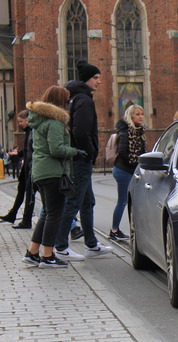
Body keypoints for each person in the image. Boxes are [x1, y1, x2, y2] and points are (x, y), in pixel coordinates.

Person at [55, 60, 113, 261]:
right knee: (74, 201)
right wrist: (89, 151)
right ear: (87, 79)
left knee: (87, 201)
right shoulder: (84, 100)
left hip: (77, 156)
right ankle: (61, 245)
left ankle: (91, 244)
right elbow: (80, 131)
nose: (99, 81)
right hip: (81, 158)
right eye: (96, 78)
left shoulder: (74, 98)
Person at [21, 86, 82, 268]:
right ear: (60, 101)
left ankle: (32, 252)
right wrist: (75, 152)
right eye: (67, 100)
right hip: (53, 172)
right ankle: (48, 256)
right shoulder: (55, 122)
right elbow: (56, 149)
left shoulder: (39, 120)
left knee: (47, 214)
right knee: (54, 214)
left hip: (41, 171)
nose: (68, 103)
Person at [109, 104, 147, 241]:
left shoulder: (139, 132)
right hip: (123, 170)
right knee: (123, 201)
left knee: (134, 201)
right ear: (131, 116)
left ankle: (134, 229)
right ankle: (114, 230)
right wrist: (137, 161)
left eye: (142, 114)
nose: (141, 116)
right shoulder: (126, 132)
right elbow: (124, 153)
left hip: (132, 170)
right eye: (137, 114)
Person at [0, 110, 37, 228]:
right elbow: (28, 150)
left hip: (32, 168)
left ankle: (26, 220)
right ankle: (13, 214)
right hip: (27, 167)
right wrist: (18, 154)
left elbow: (33, 150)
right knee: (21, 190)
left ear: (28, 120)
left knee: (31, 194)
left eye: (21, 121)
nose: (19, 124)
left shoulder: (33, 132)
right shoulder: (29, 132)